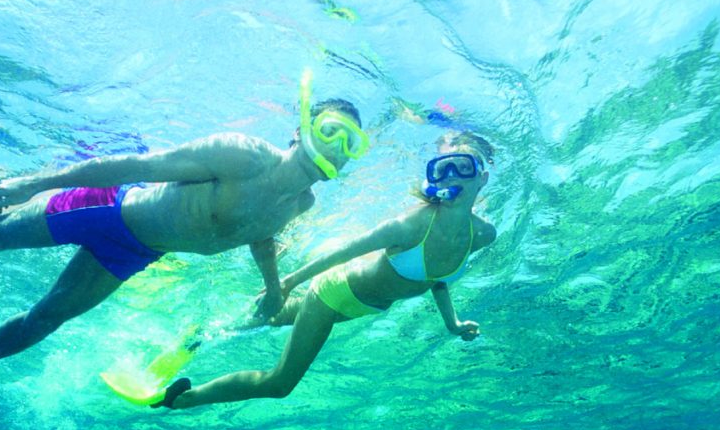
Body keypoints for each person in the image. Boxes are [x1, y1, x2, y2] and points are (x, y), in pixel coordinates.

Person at [0, 74, 370, 396]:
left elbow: (259, 235)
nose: (335, 148)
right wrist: (35, 181)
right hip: (107, 210)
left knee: (46, 320)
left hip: (135, 251)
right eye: (329, 131)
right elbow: (135, 164)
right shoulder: (243, 154)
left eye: (350, 144)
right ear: (301, 127)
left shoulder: (302, 202)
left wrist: (274, 285)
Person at [158, 131, 496, 409]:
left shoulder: (481, 234)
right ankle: (184, 399)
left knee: (269, 318)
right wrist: (287, 283)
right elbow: (344, 251)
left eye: (461, 167)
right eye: (442, 169)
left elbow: (436, 279)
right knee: (280, 384)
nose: (451, 176)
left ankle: (202, 334)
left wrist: (452, 323)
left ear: (482, 177)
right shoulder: (411, 225)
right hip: (332, 295)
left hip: (359, 307)